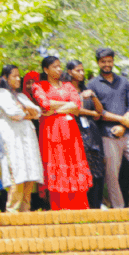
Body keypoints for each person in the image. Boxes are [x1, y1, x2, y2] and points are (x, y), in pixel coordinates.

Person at [88, 48, 129, 210]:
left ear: (113, 62)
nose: (107, 64)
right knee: (112, 174)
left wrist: (123, 124)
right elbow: (98, 112)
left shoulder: (123, 81)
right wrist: (121, 119)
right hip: (107, 134)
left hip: (128, 132)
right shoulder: (92, 85)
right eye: (103, 62)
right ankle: (119, 208)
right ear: (98, 63)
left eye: (109, 61)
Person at [29, 56, 91, 211]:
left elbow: (76, 106)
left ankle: (79, 205)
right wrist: (65, 105)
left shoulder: (69, 86)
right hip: (51, 131)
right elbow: (44, 104)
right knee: (57, 162)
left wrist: (54, 109)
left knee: (73, 162)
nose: (59, 69)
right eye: (54, 66)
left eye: (59, 66)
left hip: (71, 131)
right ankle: (60, 206)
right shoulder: (39, 86)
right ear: (46, 70)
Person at [0, 65, 42, 213]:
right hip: (11, 138)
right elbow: (14, 113)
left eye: (19, 76)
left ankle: (25, 210)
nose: (18, 79)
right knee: (16, 173)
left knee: (29, 173)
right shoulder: (1, 93)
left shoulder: (21, 96)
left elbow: (38, 112)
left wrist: (26, 111)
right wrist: (27, 112)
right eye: (14, 76)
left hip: (26, 138)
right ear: (5, 78)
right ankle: (12, 210)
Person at [65, 60, 106, 209]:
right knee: (82, 169)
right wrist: (92, 112)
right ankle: (83, 205)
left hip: (92, 132)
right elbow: (74, 109)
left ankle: (97, 205)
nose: (81, 73)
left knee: (97, 170)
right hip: (76, 131)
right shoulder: (66, 89)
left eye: (82, 70)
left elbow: (100, 112)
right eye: (78, 70)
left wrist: (93, 96)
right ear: (70, 72)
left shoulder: (87, 89)